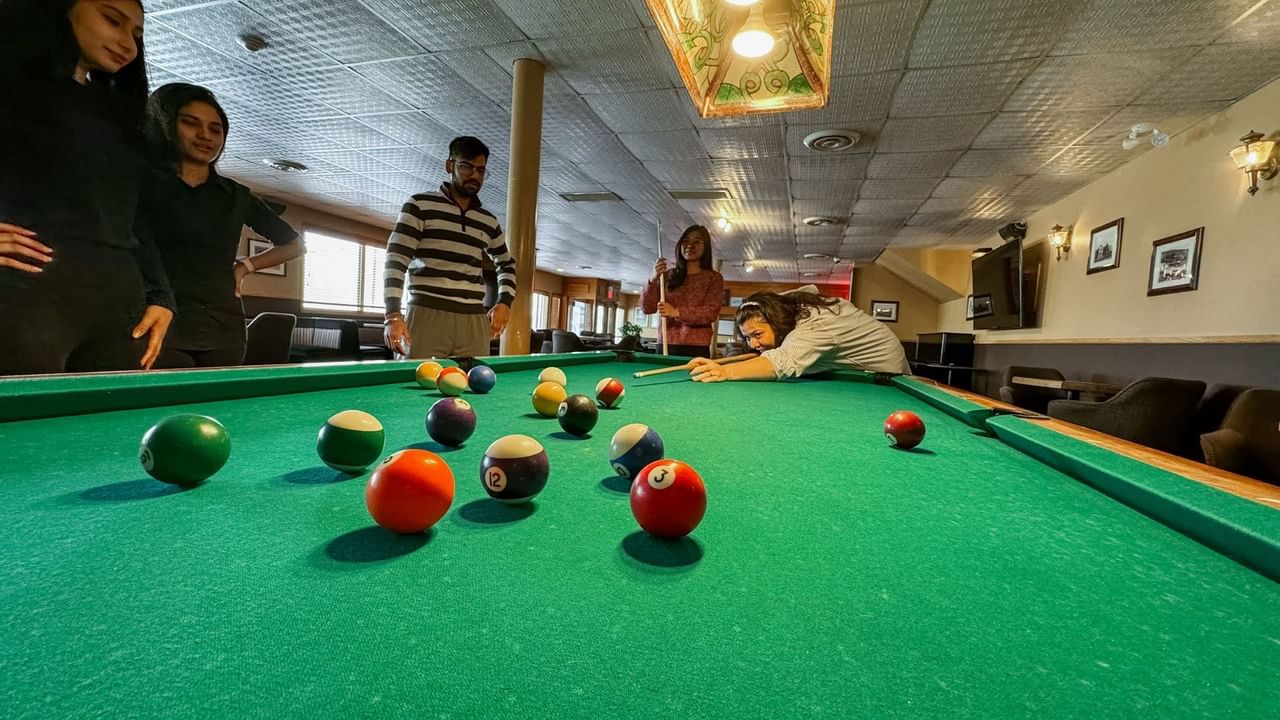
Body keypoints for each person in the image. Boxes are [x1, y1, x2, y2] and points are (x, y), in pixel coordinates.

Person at [0, 0, 173, 375]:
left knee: (113, 432)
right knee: (24, 431)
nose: (128, 43)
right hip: (26, 298)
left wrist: (162, 296)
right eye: (112, 20)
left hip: (120, 307)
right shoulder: (9, 88)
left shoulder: (121, 116)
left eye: (137, 34)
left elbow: (135, 218)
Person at [140, 83, 304, 368]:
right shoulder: (144, 186)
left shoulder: (235, 195)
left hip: (223, 325)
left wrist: (244, 267)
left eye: (216, 129)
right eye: (191, 124)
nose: (205, 135)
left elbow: (294, 244)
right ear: (165, 126)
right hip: (160, 319)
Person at [383, 136, 515, 359]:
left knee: (474, 388)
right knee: (414, 383)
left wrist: (504, 303)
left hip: (473, 319)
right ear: (449, 165)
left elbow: (506, 264)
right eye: (467, 167)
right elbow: (396, 260)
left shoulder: (488, 221)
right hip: (427, 314)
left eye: (481, 170)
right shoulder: (419, 205)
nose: (475, 175)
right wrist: (393, 315)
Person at [688, 286, 911, 382]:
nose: (753, 343)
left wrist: (725, 372)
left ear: (776, 321)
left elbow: (782, 363)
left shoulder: (815, 323)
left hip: (887, 375)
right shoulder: (790, 306)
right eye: (747, 337)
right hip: (860, 370)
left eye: (757, 334)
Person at [641, 224, 725, 357]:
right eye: (685, 241)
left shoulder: (713, 278)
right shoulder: (668, 275)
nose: (690, 245)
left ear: (706, 247)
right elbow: (647, 308)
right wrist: (653, 279)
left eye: (696, 242)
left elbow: (710, 313)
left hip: (696, 347)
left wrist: (676, 312)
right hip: (665, 343)